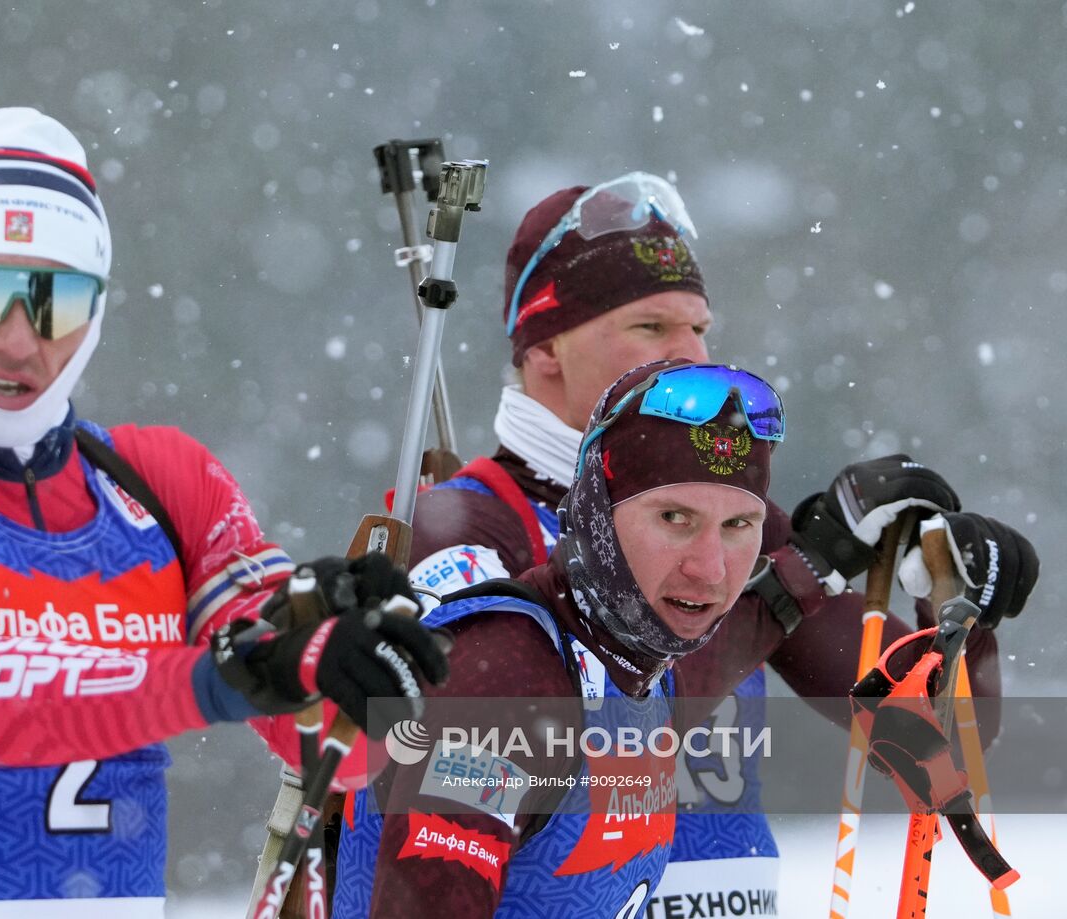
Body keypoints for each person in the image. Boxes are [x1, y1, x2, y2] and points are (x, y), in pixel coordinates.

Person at [0, 107, 447, 918]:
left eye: (55, 300)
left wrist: (340, 646)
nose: (15, 340)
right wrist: (228, 675)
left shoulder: (161, 481)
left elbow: (342, 751)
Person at [403, 176, 1023, 913]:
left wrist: (958, 611)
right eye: (651, 326)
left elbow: (937, 741)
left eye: (699, 327)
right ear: (545, 351)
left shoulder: (740, 518)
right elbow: (511, 745)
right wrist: (802, 572)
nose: (689, 351)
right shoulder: (470, 523)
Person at [333, 360, 1036, 919]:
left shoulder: (634, 664)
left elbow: (722, 657)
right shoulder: (505, 683)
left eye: (739, 526)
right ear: (597, 513)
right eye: (673, 516)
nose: (711, 567)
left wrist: (936, 602)